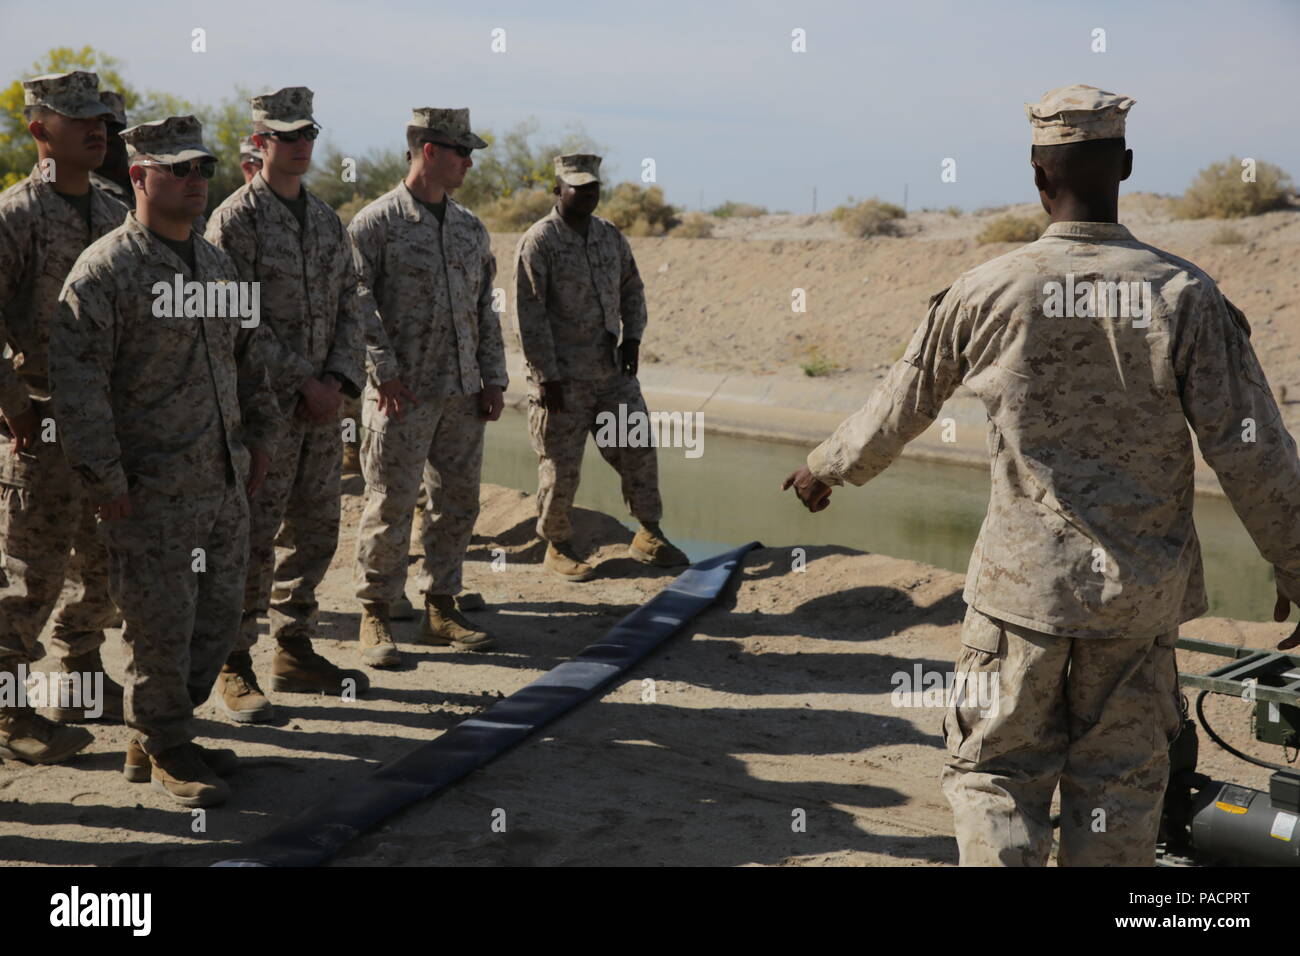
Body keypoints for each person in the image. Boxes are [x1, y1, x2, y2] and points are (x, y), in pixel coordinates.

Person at [782, 84, 1300, 866]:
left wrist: (826, 469)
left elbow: (900, 405)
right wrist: (1295, 560)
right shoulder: (1185, 297)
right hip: (1136, 605)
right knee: (1121, 788)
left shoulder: (988, 288)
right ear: (1125, 164)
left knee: (995, 776)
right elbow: (1253, 451)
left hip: (1019, 601)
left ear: (1036, 175)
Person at [51, 115, 281, 807]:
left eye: (201, 167)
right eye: (176, 169)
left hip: (222, 480)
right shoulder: (107, 269)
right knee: (159, 624)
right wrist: (105, 478)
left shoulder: (214, 263)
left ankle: (157, 731)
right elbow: (77, 381)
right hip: (149, 492)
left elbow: (249, 355)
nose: (193, 180)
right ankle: (166, 745)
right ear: (138, 176)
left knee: (215, 624)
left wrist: (262, 437)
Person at [204, 86, 367, 723]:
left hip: (324, 411)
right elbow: (236, 320)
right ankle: (233, 659)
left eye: (308, 136)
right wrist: (305, 381)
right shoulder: (234, 220)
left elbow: (351, 307)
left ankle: (293, 647)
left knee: (317, 530)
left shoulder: (326, 221)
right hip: (263, 409)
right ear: (261, 140)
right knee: (251, 536)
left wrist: (339, 381)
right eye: (287, 136)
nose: (300, 146)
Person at [348, 107, 506, 667]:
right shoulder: (376, 224)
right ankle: (377, 613)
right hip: (401, 395)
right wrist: (382, 371)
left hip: (462, 392)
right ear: (428, 150)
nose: (468, 162)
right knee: (390, 504)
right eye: (461, 151)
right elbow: (357, 305)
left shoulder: (469, 227)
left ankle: (442, 604)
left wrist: (494, 377)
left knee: (457, 503)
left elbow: (484, 309)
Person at [0, 71, 127, 765]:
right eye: (77, 116)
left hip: (105, 425)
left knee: (102, 566)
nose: (96, 126)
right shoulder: (15, 216)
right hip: (40, 424)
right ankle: (8, 710)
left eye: (100, 114)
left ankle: (82, 677)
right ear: (38, 128)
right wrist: (15, 408)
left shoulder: (114, 212)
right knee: (29, 575)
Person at [514, 154, 688, 581]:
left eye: (594, 186)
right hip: (562, 382)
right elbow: (529, 316)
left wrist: (632, 338)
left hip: (611, 375)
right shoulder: (540, 241)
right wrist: (545, 377)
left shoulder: (610, 236)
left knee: (638, 450)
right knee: (561, 466)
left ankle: (649, 533)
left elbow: (633, 289)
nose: (589, 194)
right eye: (578, 186)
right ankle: (557, 544)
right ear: (558, 189)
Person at [90, 91, 133, 208]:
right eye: (96, 127)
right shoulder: (82, 189)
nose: (104, 135)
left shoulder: (145, 180)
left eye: (113, 127)